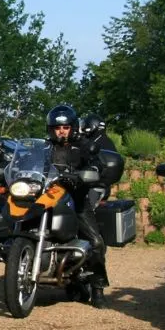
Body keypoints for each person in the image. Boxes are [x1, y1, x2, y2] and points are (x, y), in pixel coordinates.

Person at [45, 104, 110, 306]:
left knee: (96, 242)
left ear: (72, 127)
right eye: (57, 128)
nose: (61, 131)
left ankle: (98, 287)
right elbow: (28, 161)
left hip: (76, 198)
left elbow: (97, 163)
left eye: (65, 127)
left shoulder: (82, 145)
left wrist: (85, 173)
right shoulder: (45, 147)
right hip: (48, 196)